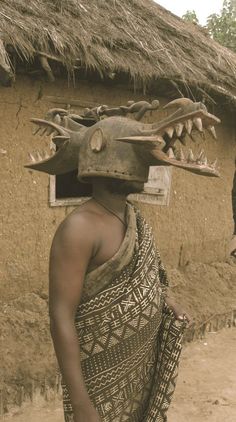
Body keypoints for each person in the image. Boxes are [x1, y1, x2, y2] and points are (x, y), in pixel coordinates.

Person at [25, 97, 220, 421]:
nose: (145, 170)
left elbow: (143, 275)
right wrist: (83, 404)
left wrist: (165, 299)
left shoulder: (129, 216)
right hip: (99, 385)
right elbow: (61, 318)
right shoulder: (78, 228)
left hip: (137, 375)